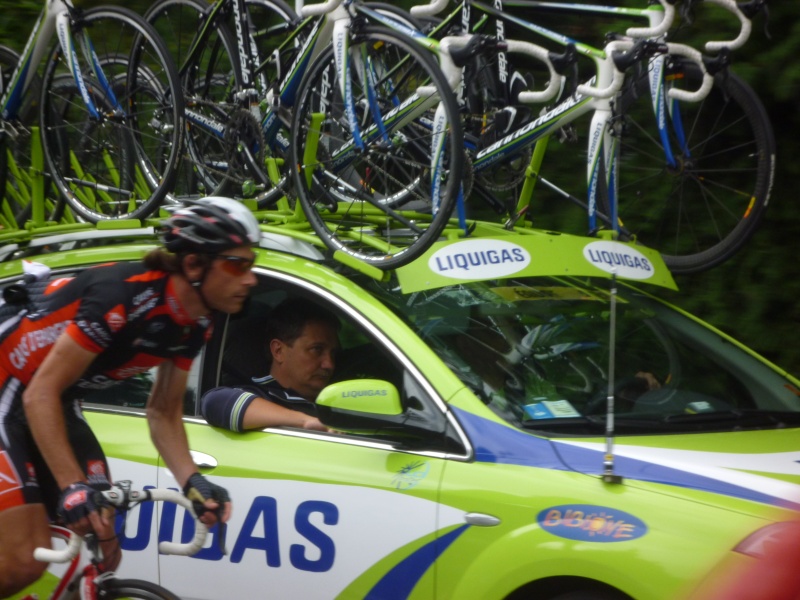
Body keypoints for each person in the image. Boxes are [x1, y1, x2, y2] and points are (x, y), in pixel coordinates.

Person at [0, 197, 261, 598]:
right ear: (193, 264)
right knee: (23, 563)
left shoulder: (195, 323)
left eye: (251, 264)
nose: (250, 279)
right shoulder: (120, 297)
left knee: (105, 544)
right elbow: (40, 393)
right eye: (237, 265)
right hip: (12, 390)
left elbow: (163, 411)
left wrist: (193, 482)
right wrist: (72, 487)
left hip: (55, 401)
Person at [201, 298, 340, 432]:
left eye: (333, 353)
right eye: (317, 349)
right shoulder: (260, 394)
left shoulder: (338, 400)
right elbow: (213, 402)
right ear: (278, 351)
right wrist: (306, 421)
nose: (329, 364)